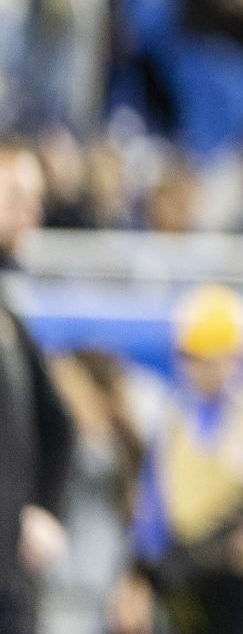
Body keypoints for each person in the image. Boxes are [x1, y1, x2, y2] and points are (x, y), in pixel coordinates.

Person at [118, 286, 243, 634]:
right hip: (188, 582)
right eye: (188, 358)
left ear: (236, 355)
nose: (194, 370)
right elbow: (153, 508)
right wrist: (140, 576)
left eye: (205, 358)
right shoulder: (174, 420)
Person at [0, 141, 75, 634]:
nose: (34, 214)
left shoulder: (10, 316)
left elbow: (57, 423)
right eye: (18, 196)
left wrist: (43, 508)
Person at [39, 349, 141, 634]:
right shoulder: (55, 457)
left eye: (67, 386)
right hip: (55, 604)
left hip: (93, 606)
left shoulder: (110, 456)